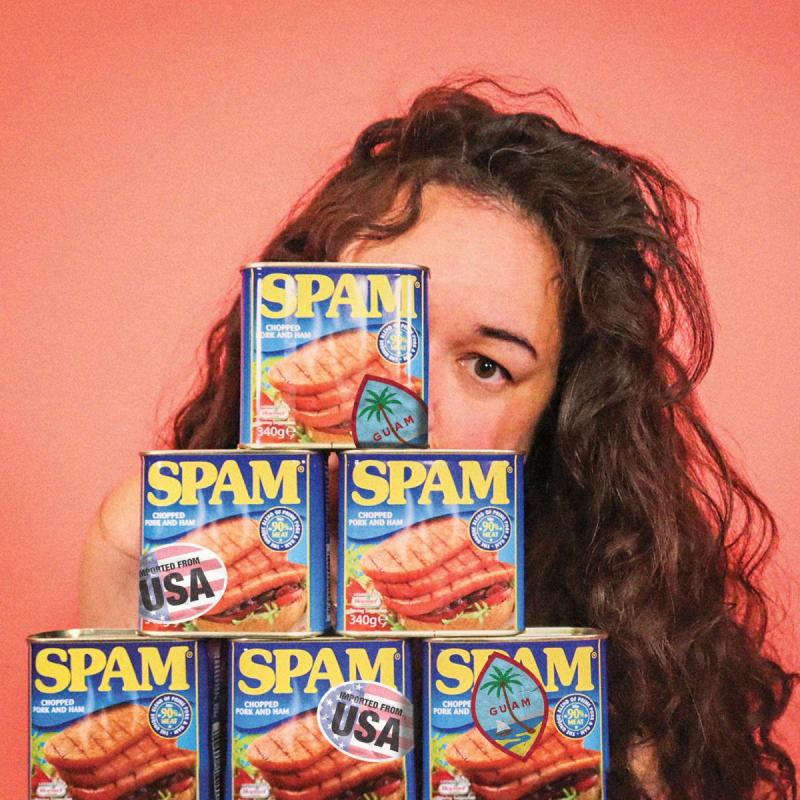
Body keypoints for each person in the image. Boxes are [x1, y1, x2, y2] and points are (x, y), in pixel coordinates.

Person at [80, 78, 796, 798]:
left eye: (487, 365)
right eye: (370, 329)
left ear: (553, 422)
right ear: (281, 338)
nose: (406, 405)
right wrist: (122, 590)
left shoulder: (612, 704)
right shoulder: (159, 568)